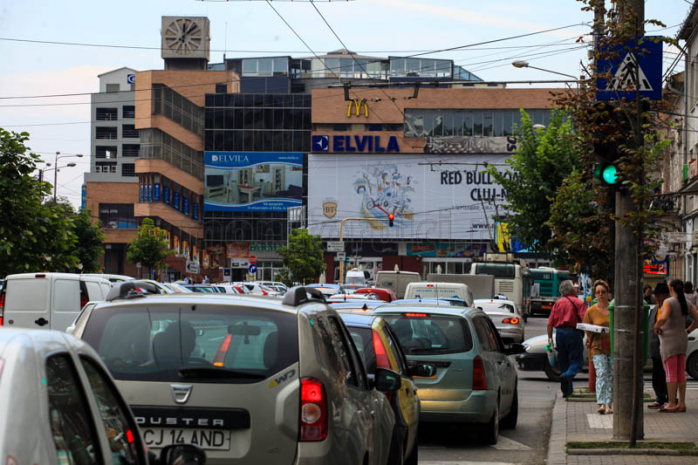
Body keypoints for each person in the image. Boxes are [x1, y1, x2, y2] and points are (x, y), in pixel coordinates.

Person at [654, 279, 698, 412]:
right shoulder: (687, 302)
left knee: (670, 373)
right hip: (682, 339)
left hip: (669, 341)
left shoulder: (669, 302)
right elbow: (697, 319)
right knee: (681, 373)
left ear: (671, 288)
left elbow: (663, 317)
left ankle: (672, 403)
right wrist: (688, 330)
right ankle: (682, 403)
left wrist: (656, 327)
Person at [547, 279, 586, 397]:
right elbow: (585, 321)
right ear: (572, 290)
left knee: (563, 363)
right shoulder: (578, 303)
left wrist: (550, 340)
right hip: (573, 334)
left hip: (559, 334)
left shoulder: (557, 303)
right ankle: (567, 376)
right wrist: (588, 336)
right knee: (577, 362)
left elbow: (550, 323)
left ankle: (567, 392)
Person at [582, 280, 613, 414]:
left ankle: (609, 404)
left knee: (611, 375)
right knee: (601, 374)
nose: (600, 295)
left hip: (612, 346)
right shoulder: (591, 311)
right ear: (595, 294)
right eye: (598, 292)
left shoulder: (613, 308)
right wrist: (590, 333)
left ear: (608, 293)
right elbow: (586, 328)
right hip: (597, 346)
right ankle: (601, 403)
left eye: (603, 292)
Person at [648, 282, 670, 409]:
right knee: (657, 374)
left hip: (667, 345)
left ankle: (670, 398)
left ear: (666, 295)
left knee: (667, 374)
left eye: (659, 295)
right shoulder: (655, 308)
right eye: (655, 295)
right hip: (655, 347)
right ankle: (660, 398)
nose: (656, 297)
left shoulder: (670, 308)